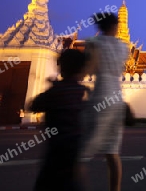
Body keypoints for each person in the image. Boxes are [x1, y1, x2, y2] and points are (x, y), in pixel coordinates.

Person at [28, 49, 89, 191]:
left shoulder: (57, 91)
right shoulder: (79, 91)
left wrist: (53, 86)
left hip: (55, 150)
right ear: (81, 71)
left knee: (46, 183)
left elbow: (34, 105)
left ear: (60, 68)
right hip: (73, 148)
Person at [82, 12, 128, 191]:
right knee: (112, 152)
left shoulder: (95, 43)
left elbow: (90, 67)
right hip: (117, 97)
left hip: (102, 94)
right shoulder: (123, 47)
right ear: (116, 26)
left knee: (82, 152)